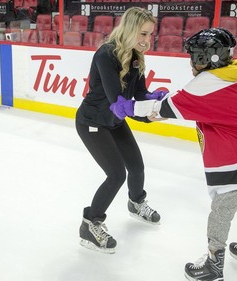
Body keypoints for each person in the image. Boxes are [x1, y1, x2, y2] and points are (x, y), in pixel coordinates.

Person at [109, 28, 237, 280]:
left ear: (207, 59)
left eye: (194, 55)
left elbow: (168, 107)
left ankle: (214, 265)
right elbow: (190, 102)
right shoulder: (226, 77)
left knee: (221, 210)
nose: (190, 60)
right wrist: (162, 102)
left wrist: (130, 106)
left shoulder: (207, 82)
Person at [75, 7, 166, 254]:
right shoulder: (106, 54)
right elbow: (118, 101)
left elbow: (137, 94)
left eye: (150, 35)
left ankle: (136, 203)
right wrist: (145, 110)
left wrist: (154, 101)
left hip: (114, 121)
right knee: (116, 174)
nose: (147, 41)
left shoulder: (136, 57)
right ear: (130, 29)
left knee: (136, 166)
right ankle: (90, 224)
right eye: (143, 34)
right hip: (93, 122)